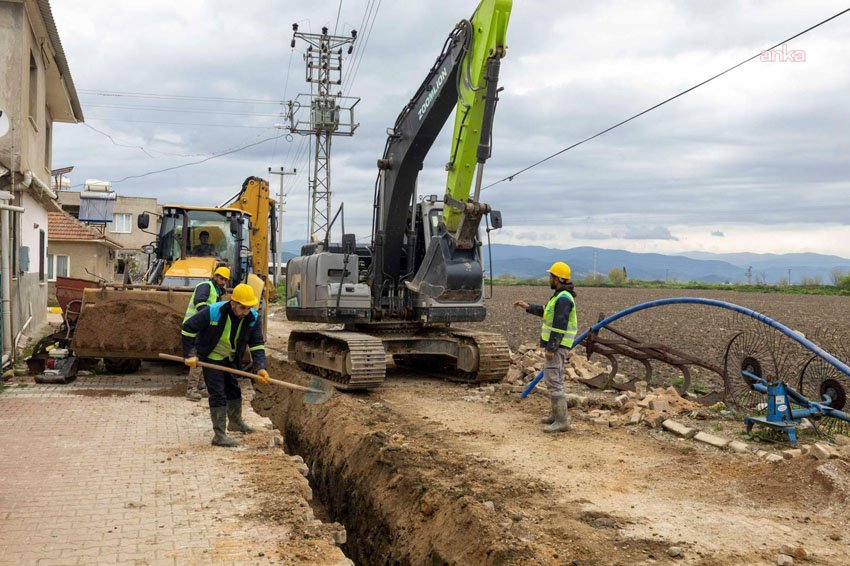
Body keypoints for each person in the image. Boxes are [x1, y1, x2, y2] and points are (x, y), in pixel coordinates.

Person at [181, 283, 270, 447]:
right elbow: (188, 328)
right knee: (218, 393)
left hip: (231, 358)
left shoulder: (252, 318)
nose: (246, 312)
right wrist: (190, 354)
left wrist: (260, 367)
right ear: (233, 303)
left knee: (233, 389)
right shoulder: (214, 311)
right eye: (243, 307)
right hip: (211, 357)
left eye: (249, 308)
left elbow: (256, 344)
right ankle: (219, 435)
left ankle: (235, 423)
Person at [513, 261, 578, 433]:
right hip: (558, 346)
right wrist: (528, 307)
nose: (549, 279)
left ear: (557, 279)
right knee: (552, 378)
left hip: (558, 346)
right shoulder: (559, 296)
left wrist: (551, 348)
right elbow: (546, 311)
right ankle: (556, 416)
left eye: (551, 276)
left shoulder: (563, 299)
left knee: (553, 380)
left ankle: (562, 420)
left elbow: (559, 326)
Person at [183, 266, 231, 401]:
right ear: (215, 276)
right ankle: (191, 389)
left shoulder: (217, 291)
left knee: (204, 356)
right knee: (198, 356)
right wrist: (209, 319)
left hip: (204, 327)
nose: (222, 282)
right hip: (195, 325)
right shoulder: (206, 286)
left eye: (225, 280)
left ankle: (201, 387)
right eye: (221, 278)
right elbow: (200, 303)